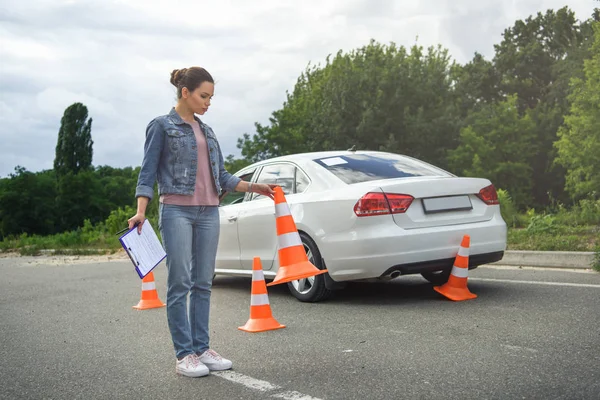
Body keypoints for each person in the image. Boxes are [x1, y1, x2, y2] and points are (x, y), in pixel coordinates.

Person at [128, 66, 276, 378]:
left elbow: (221, 176)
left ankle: (202, 347)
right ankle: (184, 355)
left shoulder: (207, 131)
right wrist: (141, 210)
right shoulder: (161, 126)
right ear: (186, 92)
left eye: (211, 96)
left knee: (203, 282)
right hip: (176, 211)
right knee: (180, 282)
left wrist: (254, 187)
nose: (208, 102)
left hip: (209, 212)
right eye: (203, 95)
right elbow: (148, 171)